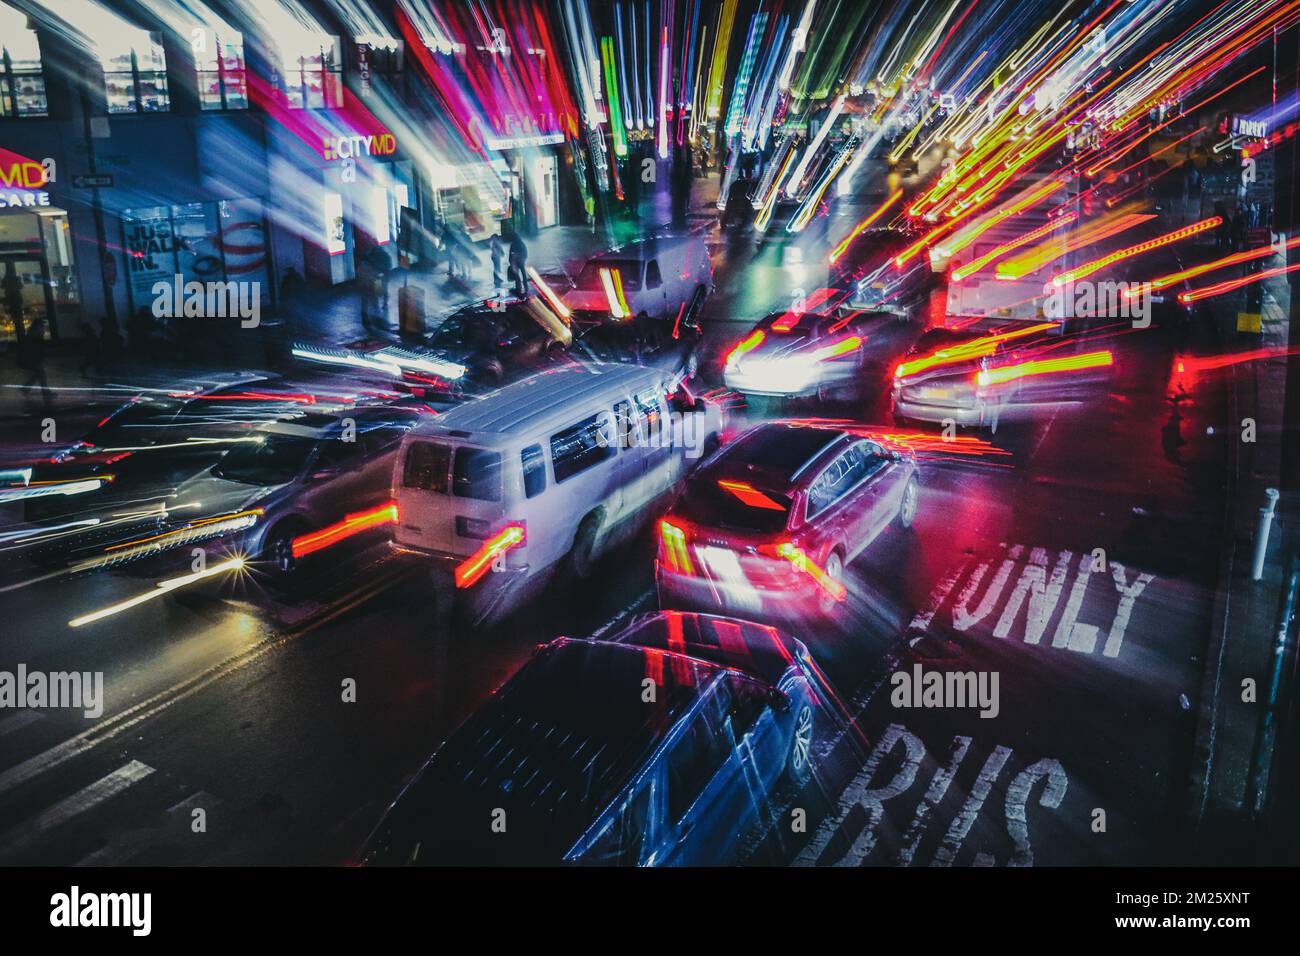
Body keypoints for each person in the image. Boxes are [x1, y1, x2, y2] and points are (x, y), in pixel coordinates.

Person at [508, 230, 529, 297]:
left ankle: (518, 288)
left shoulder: (513, 244)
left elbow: (511, 254)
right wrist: (524, 258)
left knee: (517, 276)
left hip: (515, 262)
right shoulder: (521, 243)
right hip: (521, 261)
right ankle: (526, 287)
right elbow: (525, 251)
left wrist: (511, 262)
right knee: (523, 274)